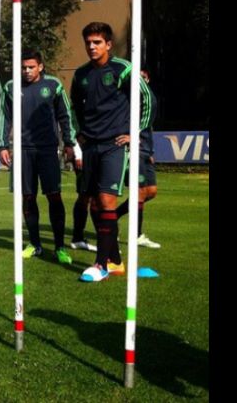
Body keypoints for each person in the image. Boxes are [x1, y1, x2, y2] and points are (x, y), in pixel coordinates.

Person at [70, 22, 152, 282]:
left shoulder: (123, 69)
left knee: (106, 201)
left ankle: (101, 264)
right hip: (90, 145)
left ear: (108, 44)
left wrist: (135, 132)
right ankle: (115, 260)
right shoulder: (81, 74)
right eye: (88, 42)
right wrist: (78, 133)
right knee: (95, 203)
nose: (92, 47)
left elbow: (147, 100)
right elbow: (74, 107)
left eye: (97, 42)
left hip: (114, 144)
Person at [0, 49, 76, 264]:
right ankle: (34, 244)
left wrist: (69, 143)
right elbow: (3, 117)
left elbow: (65, 115)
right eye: (23, 67)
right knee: (27, 197)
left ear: (40, 66)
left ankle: (59, 247)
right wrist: (2, 145)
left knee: (54, 195)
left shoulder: (53, 85)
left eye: (31, 67)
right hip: (22, 150)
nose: (27, 71)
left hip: (48, 149)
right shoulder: (11, 87)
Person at [115, 68, 160, 248]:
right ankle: (137, 235)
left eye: (143, 77)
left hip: (145, 150)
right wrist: (130, 137)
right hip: (134, 149)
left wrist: (150, 152)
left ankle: (114, 215)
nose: (139, 80)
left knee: (151, 191)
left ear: (147, 80)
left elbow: (148, 129)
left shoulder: (145, 103)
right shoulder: (127, 100)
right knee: (139, 192)